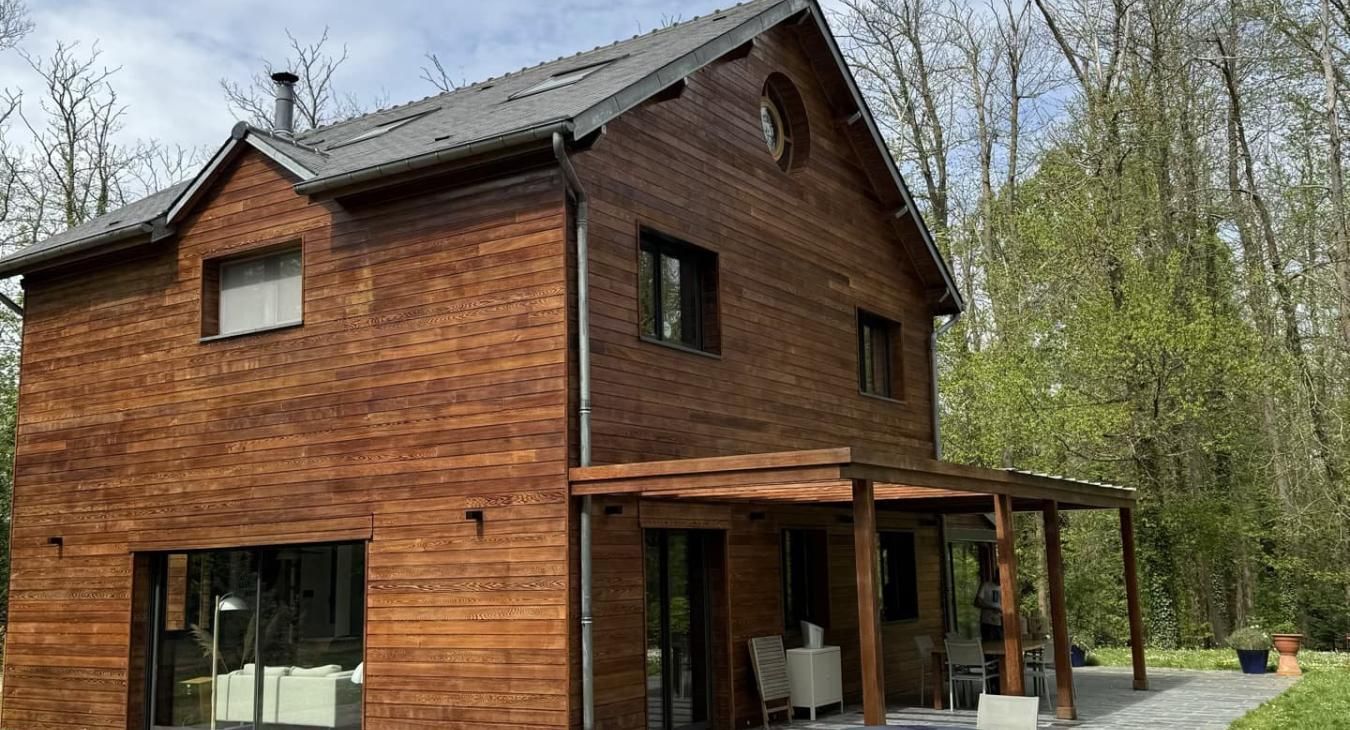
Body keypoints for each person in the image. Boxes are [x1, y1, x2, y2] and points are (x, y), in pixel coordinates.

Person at [975, 560, 1003, 642]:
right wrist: (991, 608)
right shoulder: (986, 585)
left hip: (1000, 622)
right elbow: (977, 602)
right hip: (987, 622)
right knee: (988, 644)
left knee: (1000, 645)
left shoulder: (1004, 588)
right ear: (997, 575)